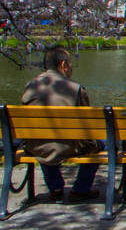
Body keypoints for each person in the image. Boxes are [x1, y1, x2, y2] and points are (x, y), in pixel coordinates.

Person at [21, 46, 101, 202]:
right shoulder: (75, 89)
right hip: (66, 146)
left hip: (35, 145)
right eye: (70, 64)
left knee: (44, 141)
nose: (71, 67)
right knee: (101, 145)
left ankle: (55, 187)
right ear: (63, 65)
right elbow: (88, 127)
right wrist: (94, 144)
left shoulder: (30, 86)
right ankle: (81, 188)